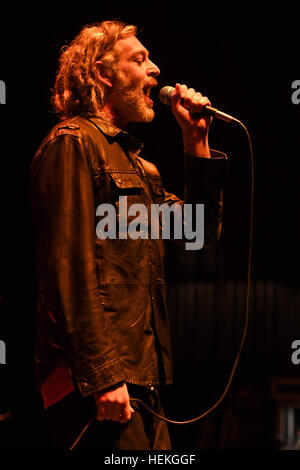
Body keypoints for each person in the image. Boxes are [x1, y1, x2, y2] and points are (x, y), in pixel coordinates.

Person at [30, 20, 228, 450]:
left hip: (139, 381)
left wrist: (196, 141)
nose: (155, 70)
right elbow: (68, 267)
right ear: (103, 74)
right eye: (139, 60)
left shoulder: (137, 166)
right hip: (94, 383)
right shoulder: (72, 143)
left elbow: (197, 233)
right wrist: (103, 376)